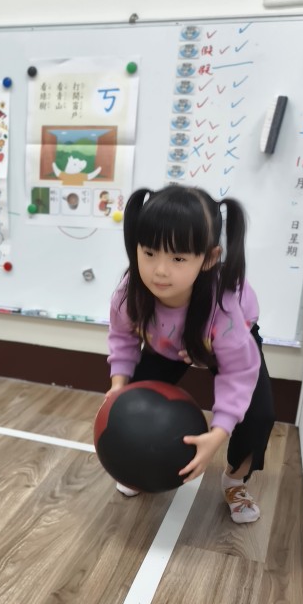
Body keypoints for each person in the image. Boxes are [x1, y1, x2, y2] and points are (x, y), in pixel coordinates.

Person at [107, 185, 275, 523]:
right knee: (133, 399)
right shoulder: (130, 292)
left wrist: (218, 433)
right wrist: (118, 385)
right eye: (149, 252)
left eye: (178, 258)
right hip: (167, 344)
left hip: (226, 344)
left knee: (258, 416)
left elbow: (237, 374)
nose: (160, 270)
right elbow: (123, 338)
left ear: (209, 258)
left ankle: (235, 480)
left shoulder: (224, 309)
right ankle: (140, 467)